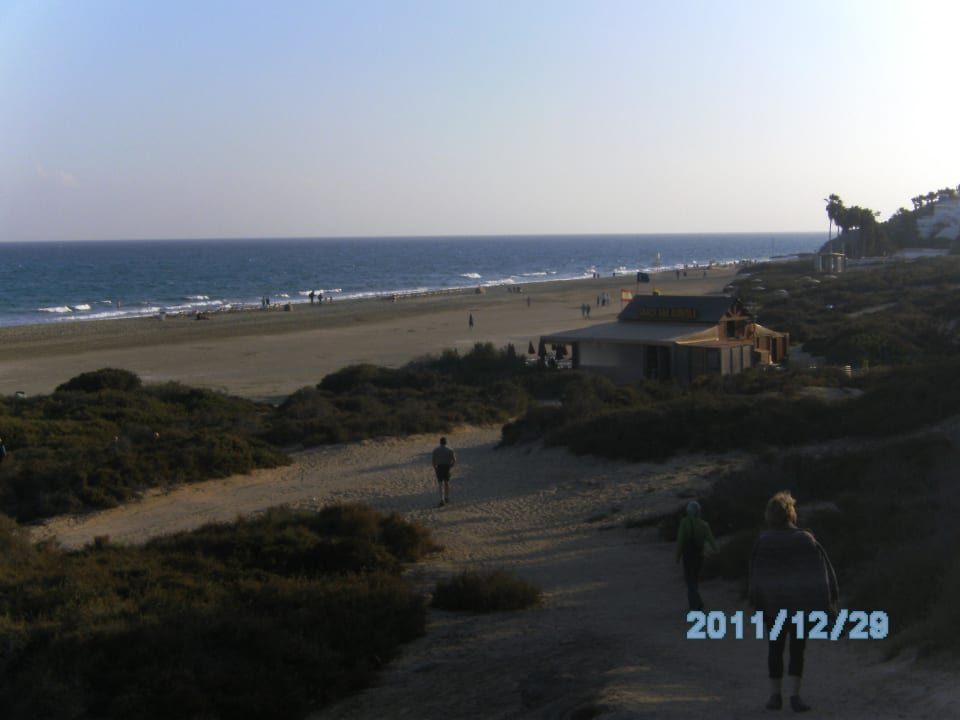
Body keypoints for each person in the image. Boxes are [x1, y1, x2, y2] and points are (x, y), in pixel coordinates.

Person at [749, 491, 839, 713]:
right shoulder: (806, 539)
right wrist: (827, 606)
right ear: (791, 513)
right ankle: (795, 696)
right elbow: (821, 576)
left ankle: (775, 696)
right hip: (801, 606)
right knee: (798, 649)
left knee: (775, 648)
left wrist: (757, 602)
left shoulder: (764, 540)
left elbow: (756, 575)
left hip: (773, 605)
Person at [675, 501, 718, 611]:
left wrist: (677, 556)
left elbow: (680, 541)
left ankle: (694, 604)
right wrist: (718, 552)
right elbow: (711, 541)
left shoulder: (684, 522)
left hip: (688, 555)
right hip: (699, 555)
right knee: (694, 578)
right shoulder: (704, 525)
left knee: (690, 580)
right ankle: (697, 602)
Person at [431, 437, 456, 506]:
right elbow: (454, 460)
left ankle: (441, 499)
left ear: (440, 442)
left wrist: (435, 468)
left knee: (440, 484)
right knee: (447, 483)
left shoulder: (435, 450)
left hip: (439, 467)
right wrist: (451, 466)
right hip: (447, 467)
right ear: (446, 442)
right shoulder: (450, 450)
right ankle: (447, 497)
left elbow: (433, 461)